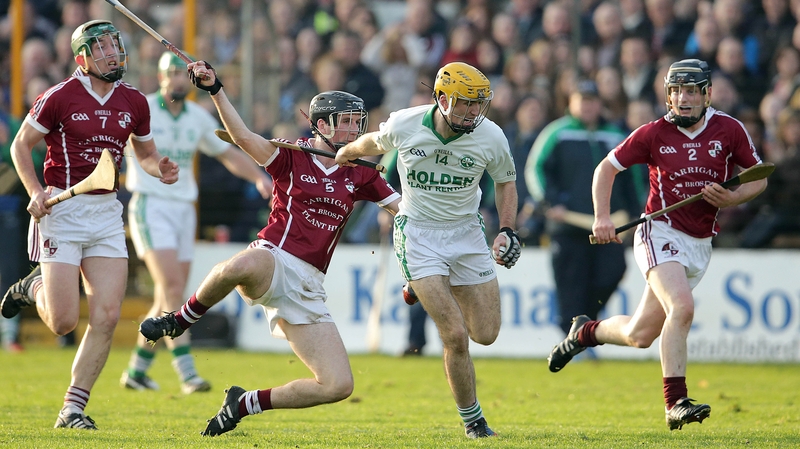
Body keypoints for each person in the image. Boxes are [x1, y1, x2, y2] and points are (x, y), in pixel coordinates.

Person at [138, 59, 401, 437]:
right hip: (274, 256)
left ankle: (244, 403)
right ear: (322, 126)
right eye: (346, 122)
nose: (355, 129)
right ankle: (180, 320)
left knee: (338, 385)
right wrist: (216, 89)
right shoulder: (291, 155)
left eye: (357, 122)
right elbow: (243, 136)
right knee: (238, 266)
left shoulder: (362, 172)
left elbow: (401, 209)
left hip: (308, 284)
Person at [547, 59, 767, 430]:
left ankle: (584, 332)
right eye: (676, 91)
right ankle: (675, 402)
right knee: (682, 308)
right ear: (667, 95)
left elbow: (759, 177)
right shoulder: (653, 133)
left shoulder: (730, 130)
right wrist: (602, 217)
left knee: (639, 334)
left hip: (700, 242)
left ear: (706, 94)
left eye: (692, 91)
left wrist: (731, 198)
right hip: (658, 231)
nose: (683, 98)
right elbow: (606, 168)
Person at [0, 19, 179, 430]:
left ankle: (72, 409)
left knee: (107, 314)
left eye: (116, 45)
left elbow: (146, 154)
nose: (114, 53)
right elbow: (20, 144)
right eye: (104, 48)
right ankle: (34, 286)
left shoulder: (135, 101)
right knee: (63, 321)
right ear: (82, 57)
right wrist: (34, 190)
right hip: (62, 211)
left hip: (105, 213)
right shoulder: (59, 96)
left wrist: (158, 168)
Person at [335, 61, 521, 439]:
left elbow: (505, 183)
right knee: (455, 335)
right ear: (441, 98)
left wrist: (506, 230)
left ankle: (424, 287)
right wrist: (348, 151)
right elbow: (374, 143)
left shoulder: (491, 136)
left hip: (467, 234)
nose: (473, 111)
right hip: (417, 233)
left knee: (485, 334)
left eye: (478, 103)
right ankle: (474, 421)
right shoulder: (406, 123)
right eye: (465, 103)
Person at [120, 51, 272, 395]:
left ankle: (137, 370)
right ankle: (187, 373)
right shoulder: (143, 109)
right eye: (170, 73)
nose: (176, 78)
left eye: (180, 73)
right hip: (151, 204)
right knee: (174, 288)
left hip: (185, 208)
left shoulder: (197, 117)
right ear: (160, 77)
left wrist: (258, 178)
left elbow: (228, 154)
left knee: (167, 294)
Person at [525, 79, 643, 337]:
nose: (587, 106)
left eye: (591, 101)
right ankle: (574, 335)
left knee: (612, 272)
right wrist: (550, 201)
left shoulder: (615, 135)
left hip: (609, 225)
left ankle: (584, 329)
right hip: (567, 225)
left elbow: (632, 177)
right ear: (571, 104)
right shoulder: (557, 132)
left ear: (599, 104)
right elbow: (536, 169)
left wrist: (635, 212)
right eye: (582, 101)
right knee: (570, 284)